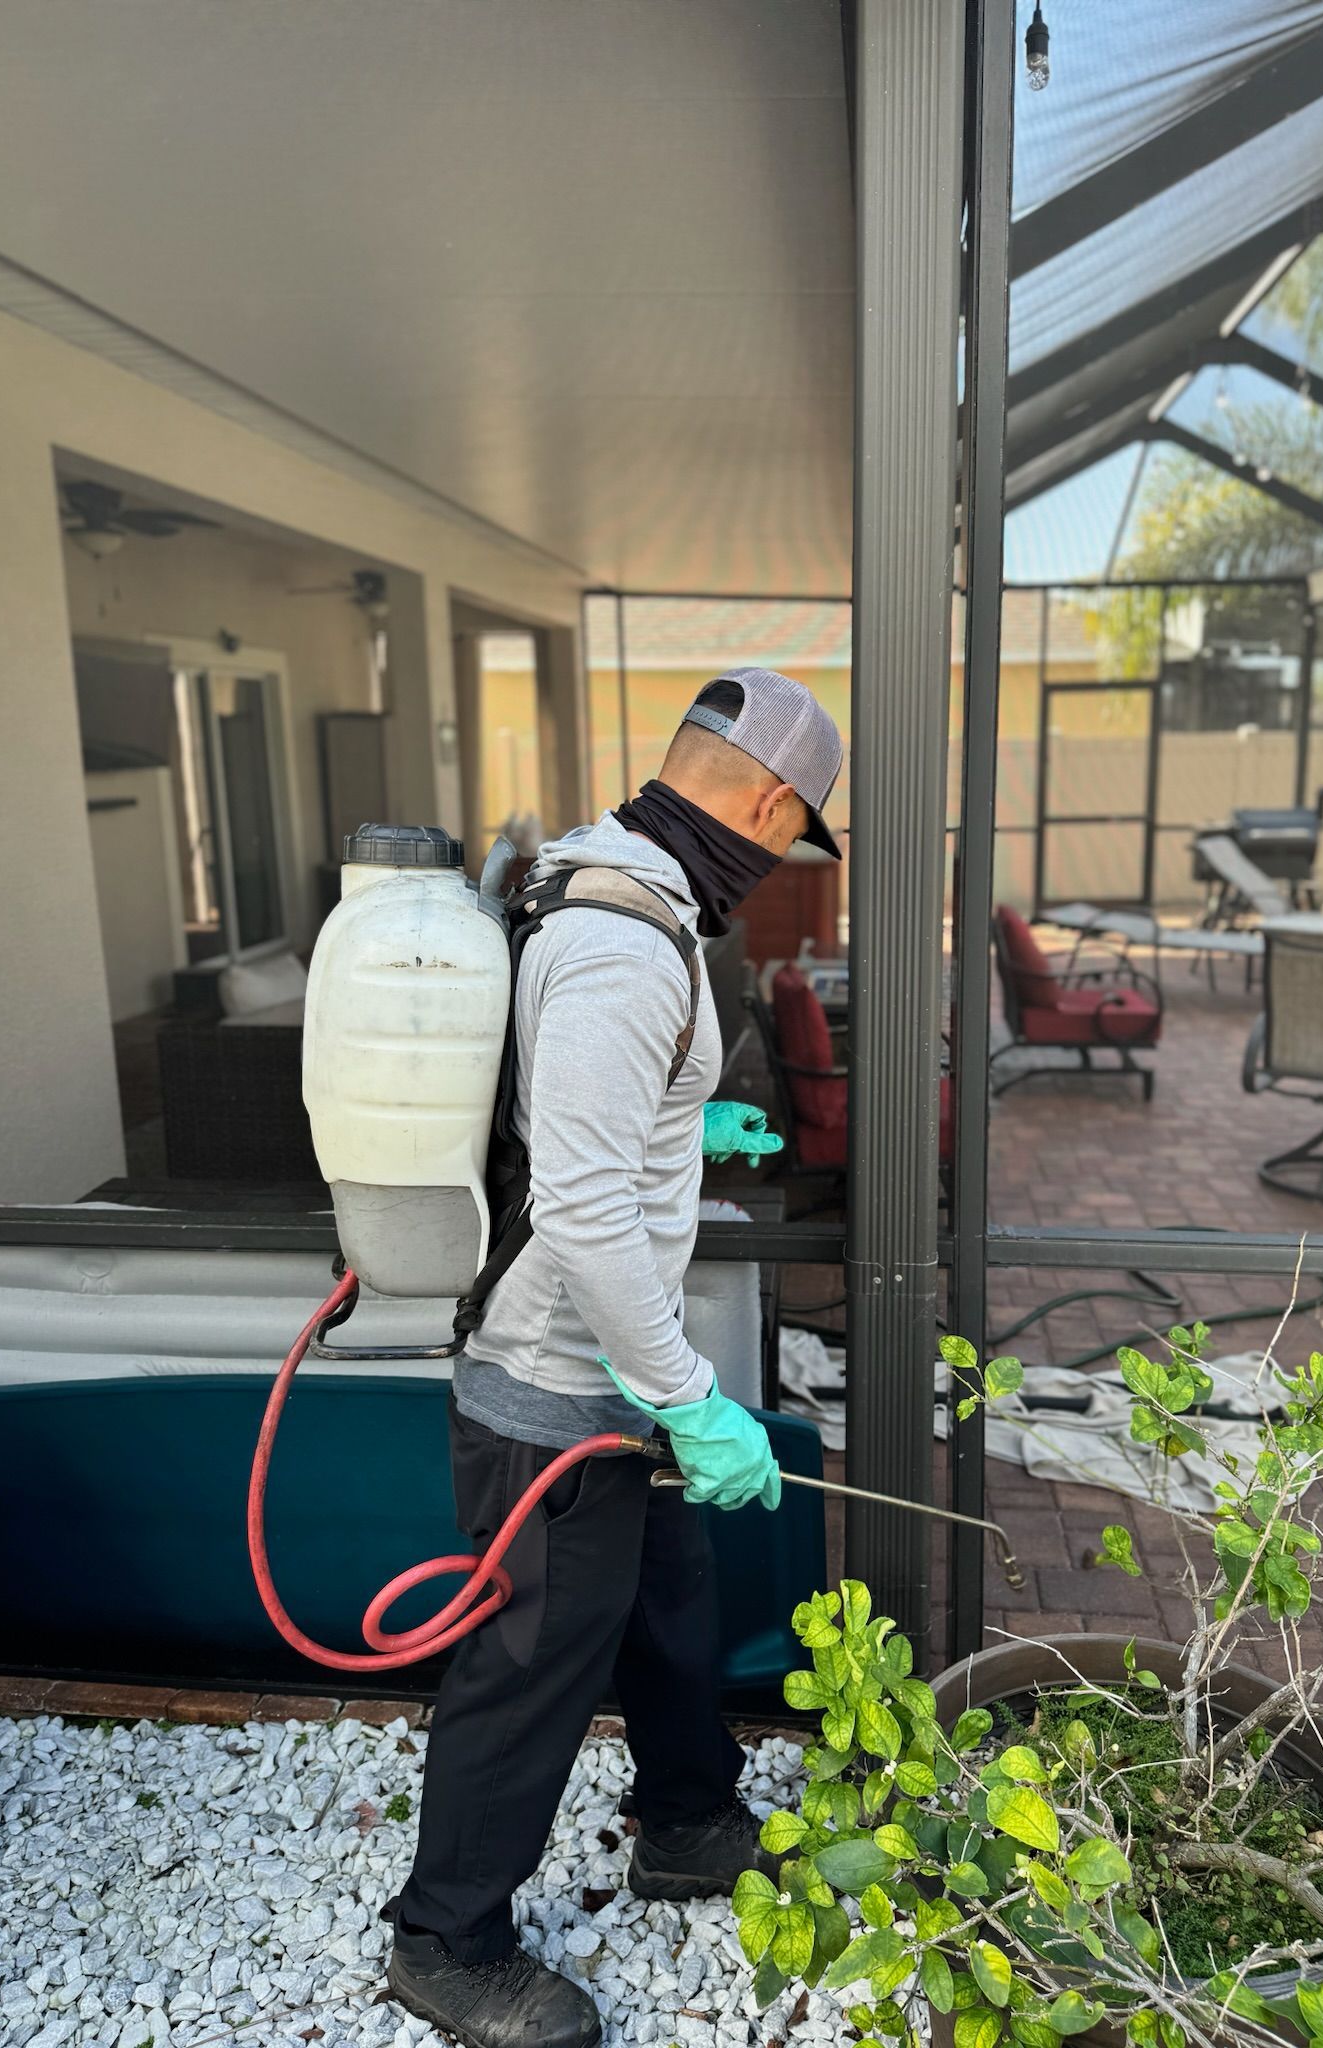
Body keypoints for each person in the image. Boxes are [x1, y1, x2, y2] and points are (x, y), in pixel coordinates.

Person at [388, 668, 845, 2048]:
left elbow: (583, 1120)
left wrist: (690, 1130)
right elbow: (582, 1206)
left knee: (668, 1601)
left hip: (613, 1376)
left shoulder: (617, 887)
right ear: (770, 804)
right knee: (533, 1660)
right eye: (796, 832)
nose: (785, 858)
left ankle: (689, 1820)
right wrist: (691, 1400)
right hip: (554, 1384)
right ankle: (444, 1939)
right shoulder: (625, 942)